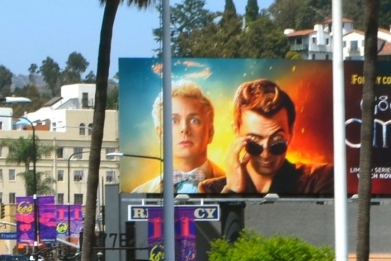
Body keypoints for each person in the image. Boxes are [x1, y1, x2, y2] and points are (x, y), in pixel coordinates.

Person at [198, 79, 333, 195]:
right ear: (236, 131)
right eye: (254, 143)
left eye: (276, 142)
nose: (266, 154)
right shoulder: (212, 190)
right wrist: (231, 190)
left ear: (290, 133)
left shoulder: (319, 178)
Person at [133, 81, 223, 193]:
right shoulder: (139, 193)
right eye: (173, 121)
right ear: (161, 134)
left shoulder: (237, 187)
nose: (184, 129)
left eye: (194, 120)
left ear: (210, 132)